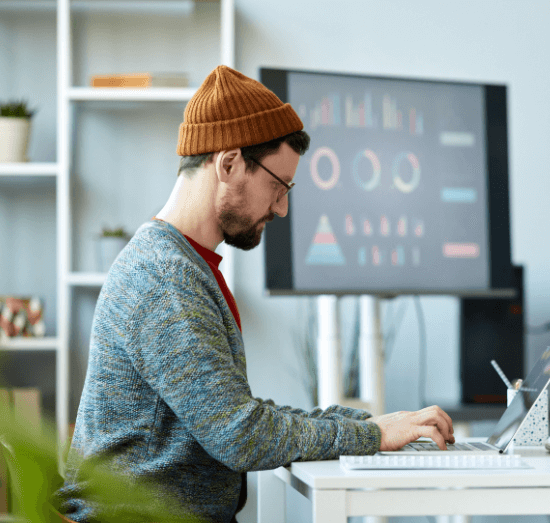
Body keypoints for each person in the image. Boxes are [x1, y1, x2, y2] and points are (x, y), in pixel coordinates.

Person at [56, 65, 455, 523]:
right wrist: (372, 436)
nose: (282, 208)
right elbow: (239, 435)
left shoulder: (183, 266)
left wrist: (362, 425)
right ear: (228, 164)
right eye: (278, 186)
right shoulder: (165, 278)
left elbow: (236, 415)